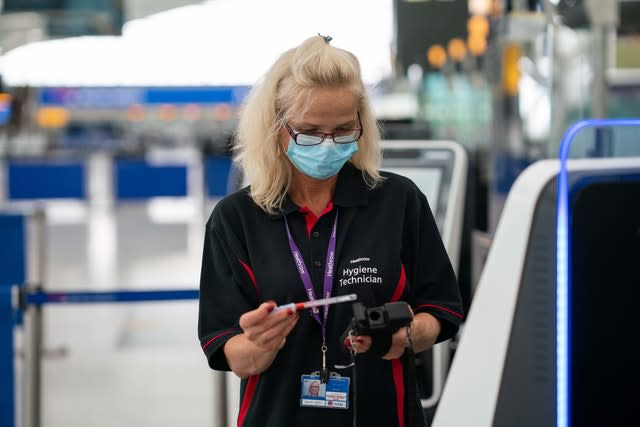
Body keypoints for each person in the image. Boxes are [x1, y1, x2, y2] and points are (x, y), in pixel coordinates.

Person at [198, 34, 463, 427]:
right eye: (309, 132)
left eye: (343, 130)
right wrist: (258, 345)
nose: (327, 145)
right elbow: (229, 350)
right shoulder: (236, 219)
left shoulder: (399, 202)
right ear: (276, 127)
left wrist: (403, 336)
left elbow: (442, 312)